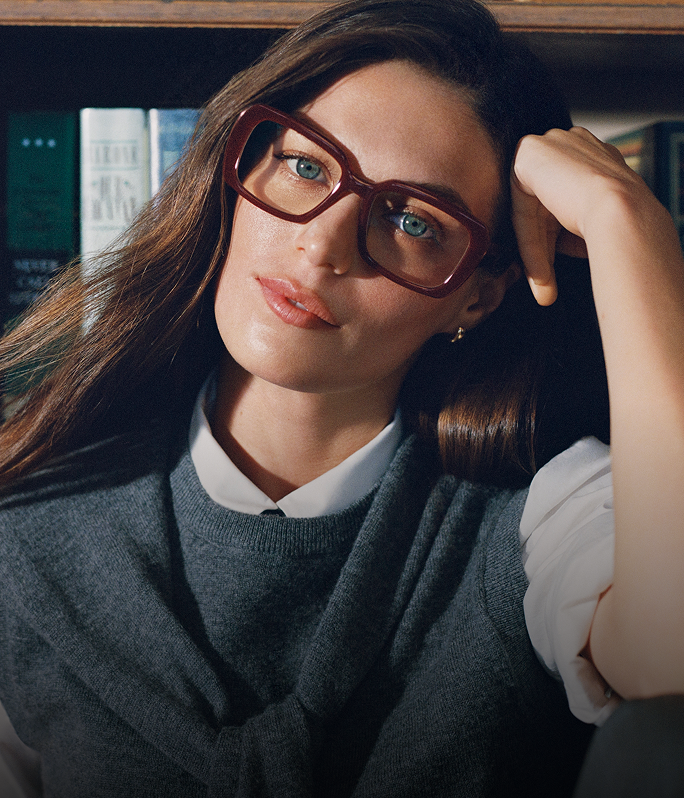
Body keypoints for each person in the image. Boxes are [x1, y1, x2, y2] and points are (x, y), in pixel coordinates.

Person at [0, 0, 683, 794]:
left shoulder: (541, 522)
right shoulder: (31, 532)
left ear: (477, 299)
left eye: (412, 220)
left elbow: (671, 661)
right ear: (240, 167)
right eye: (305, 165)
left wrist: (630, 224)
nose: (319, 245)